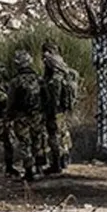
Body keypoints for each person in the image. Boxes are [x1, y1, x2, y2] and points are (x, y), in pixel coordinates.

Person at [7, 50, 49, 181]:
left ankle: (29, 171)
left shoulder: (15, 82)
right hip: (37, 115)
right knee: (38, 141)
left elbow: (10, 102)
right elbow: (46, 97)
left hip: (21, 117)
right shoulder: (39, 79)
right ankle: (40, 168)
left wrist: (8, 116)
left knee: (25, 144)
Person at [41, 41, 77, 175]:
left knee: (53, 134)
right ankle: (65, 159)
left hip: (54, 108)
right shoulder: (62, 65)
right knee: (63, 132)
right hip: (62, 107)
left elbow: (54, 87)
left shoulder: (51, 63)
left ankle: (57, 163)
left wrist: (51, 104)